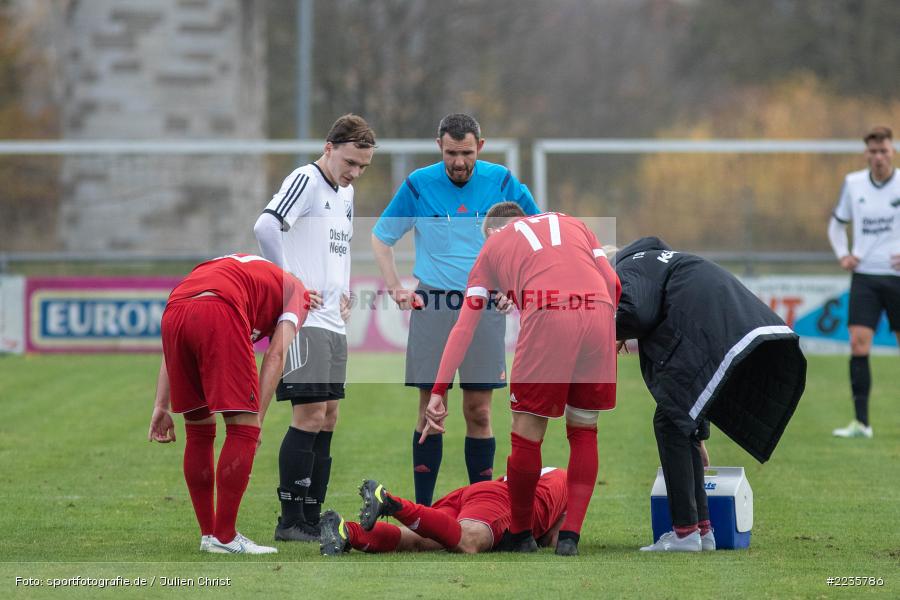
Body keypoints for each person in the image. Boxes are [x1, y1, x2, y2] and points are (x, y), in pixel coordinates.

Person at [422, 202, 619, 556]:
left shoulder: (492, 246)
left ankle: (522, 533)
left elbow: (464, 327)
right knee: (584, 428)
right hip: (600, 311)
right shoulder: (571, 222)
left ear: (491, 231)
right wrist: (607, 327)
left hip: (548, 314)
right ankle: (570, 537)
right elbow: (613, 282)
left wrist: (439, 390)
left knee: (527, 434)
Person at [371, 113, 539, 507]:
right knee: (431, 409)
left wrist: (514, 288)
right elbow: (381, 238)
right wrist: (395, 287)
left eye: (466, 153)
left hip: (484, 306)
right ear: (439, 147)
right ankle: (424, 513)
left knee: (479, 411)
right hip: (434, 304)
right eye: (450, 153)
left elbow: (536, 234)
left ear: (480, 147)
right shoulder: (419, 184)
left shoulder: (502, 182)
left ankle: (482, 508)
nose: (459, 162)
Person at [613, 237, 807, 552]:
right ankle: (702, 532)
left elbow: (637, 314)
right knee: (677, 419)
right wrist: (699, 433)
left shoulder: (624, 268)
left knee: (669, 422)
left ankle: (685, 533)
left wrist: (611, 332)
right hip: (729, 326)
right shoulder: (656, 260)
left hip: (714, 331)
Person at [254, 114, 376, 541]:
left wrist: (345, 290)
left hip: (331, 320)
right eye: (350, 162)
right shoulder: (305, 179)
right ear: (329, 148)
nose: (355, 172)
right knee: (309, 415)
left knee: (328, 416)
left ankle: (311, 515)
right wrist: (289, 282)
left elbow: (338, 248)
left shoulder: (346, 193)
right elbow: (265, 226)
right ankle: (290, 521)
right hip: (305, 319)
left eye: (363, 166)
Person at [148, 253, 309, 554]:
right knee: (243, 428)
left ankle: (209, 535)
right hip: (220, 308)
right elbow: (276, 354)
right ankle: (225, 537)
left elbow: (187, 322)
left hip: (174, 309)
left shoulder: (247, 271)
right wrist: (257, 419)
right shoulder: (298, 291)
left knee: (198, 429)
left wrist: (161, 405)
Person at [827, 126, 900, 439]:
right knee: (858, 343)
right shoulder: (853, 183)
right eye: (873, 151)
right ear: (866, 153)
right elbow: (836, 225)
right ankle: (861, 424)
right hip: (865, 277)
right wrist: (843, 254)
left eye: (884, 150)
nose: (879, 156)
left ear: (892, 151)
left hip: (897, 277)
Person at [319, 467, 568, 556]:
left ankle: (347, 532)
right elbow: (552, 539)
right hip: (500, 499)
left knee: (416, 540)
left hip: (477, 493)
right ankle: (391, 502)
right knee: (468, 542)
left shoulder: (553, 476)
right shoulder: (567, 484)